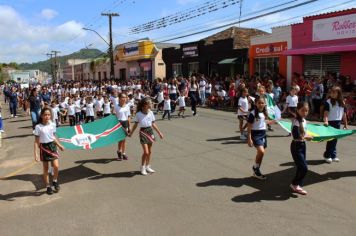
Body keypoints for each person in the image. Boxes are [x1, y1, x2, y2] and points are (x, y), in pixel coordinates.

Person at [33, 108, 65, 195]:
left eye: (49, 115)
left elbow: (53, 137)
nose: (47, 116)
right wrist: (35, 154)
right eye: (45, 115)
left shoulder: (52, 125)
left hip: (52, 146)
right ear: (41, 116)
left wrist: (59, 145)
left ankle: (54, 180)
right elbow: (36, 142)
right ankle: (47, 186)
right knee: (46, 169)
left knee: (56, 166)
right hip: (44, 148)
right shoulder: (38, 127)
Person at [129, 98, 163, 176]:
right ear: (145, 105)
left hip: (150, 131)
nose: (151, 104)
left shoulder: (150, 112)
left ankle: (147, 166)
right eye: (150, 103)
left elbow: (153, 124)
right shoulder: (138, 114)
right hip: (143, 132)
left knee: (149, 152)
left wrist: (159, 132)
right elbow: (135, 125)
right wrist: (131, 133)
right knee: (146, 152)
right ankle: (142, 167)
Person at [247, 97, 276, 180]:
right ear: (256, 104)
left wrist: (273, 122)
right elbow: (249, 126)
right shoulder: (252, 113)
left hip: (263, 134)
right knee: (261, 151)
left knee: (261, 153)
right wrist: (249, 138)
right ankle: (255, 168)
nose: (261, 104)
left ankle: (256, 169)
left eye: (262, 103)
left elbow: (264, 122)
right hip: (255, 134)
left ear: (265, 104)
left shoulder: (264, 113)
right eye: (259, 103)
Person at [290, 102, 313, 195]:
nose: (305, 112)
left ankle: (296, 185)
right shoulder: (296, 121)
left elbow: (304, 133)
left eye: (306, 110)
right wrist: (307, 137)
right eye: (302, 110)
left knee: (301, 167)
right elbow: (296, 136)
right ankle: (295, 184)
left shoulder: (303, 120)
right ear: (298, 110)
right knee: (304, 168)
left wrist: (308, 136)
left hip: (302, 145)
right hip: (296, 146)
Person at [323, 86, 348, 163]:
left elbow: (344, 114)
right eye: (331, 92)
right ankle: (327, 155)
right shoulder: (328, 102)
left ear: (339, 93)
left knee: (335, 140)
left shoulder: (342, 103)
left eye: (334, 92)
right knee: (330, 140)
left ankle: (333, 155)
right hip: (330, 123)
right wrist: (326, 121)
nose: (332, 94)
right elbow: (326, 114)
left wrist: (345, 124)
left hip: (338, 123)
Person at [114, 93, 131, 161]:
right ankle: (119, 151)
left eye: (125, 97)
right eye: (122, 97)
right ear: (119, 98)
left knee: (124, 140)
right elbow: (113, 116)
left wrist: (129, 126)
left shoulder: (127, 106)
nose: (124, 99)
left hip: (125, 123)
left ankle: (123, 153)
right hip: (119, 123)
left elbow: (129, 116)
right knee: (120, 139)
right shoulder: (116, 106)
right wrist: (113, 113)